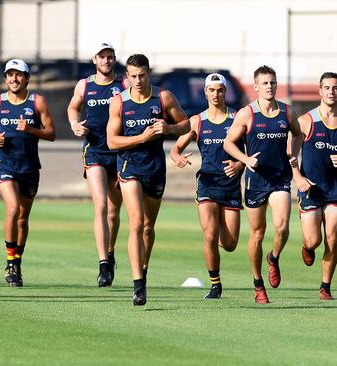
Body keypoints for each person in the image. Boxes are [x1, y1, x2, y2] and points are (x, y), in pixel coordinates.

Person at [107, 54, 190, 306]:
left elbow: (186, 124)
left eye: (142, 75)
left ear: (149, 74)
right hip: (129, 166)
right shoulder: (119, 102)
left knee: (147, 227)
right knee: (136, 221)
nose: (138, 80)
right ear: (127, 77)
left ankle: (143, 269)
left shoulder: (163, 98)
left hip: (154, 168)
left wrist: (169, 129)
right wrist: (142, 138)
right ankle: (138, 285)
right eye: (133, 76)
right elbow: (112, 141)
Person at [223, 65, 301, 304]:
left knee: (282, 228)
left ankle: (274, 258)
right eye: (265, 83)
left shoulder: (287, 113)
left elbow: (298, 134)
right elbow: (228, 143)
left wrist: (292, 153)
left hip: (279, 179)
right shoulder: (247, 114)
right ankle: (258, 284)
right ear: (256, 86)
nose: (270, 86)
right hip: (256, 182)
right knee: (257, 234)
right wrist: (245, 160)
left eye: (273, 82)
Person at [0, 58, 56, 287]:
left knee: (23, 218)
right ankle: (9, 262)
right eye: (10, 75)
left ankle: (17, 261)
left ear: (27, 78)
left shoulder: (37, 102)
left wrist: (31, 129)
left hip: (30, 166)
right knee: (12, 208)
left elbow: (52, 133)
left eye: (18, 75)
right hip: (5, 164)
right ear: (5, 78)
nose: (14, 79)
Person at [170, 73, 244, 299]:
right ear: (205, 93)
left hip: (230, 186)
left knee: (229, 244)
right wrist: (178, 158)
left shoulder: (238, 118)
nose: (215, 94)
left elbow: (250, 153)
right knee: (209, 235)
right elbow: (175, 148)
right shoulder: (197, 121)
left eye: (219, 90)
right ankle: (215, 284)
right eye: (211, 90)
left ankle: (220, 240)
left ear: (225, 92)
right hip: (207, 185)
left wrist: (239, 164)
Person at [66, 43, 123, 287]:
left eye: (110, 57)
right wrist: (74, 124)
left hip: (120, 152)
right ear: (94, 60)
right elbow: (72, 106)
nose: (106, 61)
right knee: (100, 205)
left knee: (113, 210)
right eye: (102, 57)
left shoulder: (123, 85)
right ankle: (102, 264)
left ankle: (110, 254)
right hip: (95, 152)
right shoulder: (84, 84)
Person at [290, 72, 337, 300]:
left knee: (334, 237)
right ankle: (307, 246)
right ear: (320, 91)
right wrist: (297, 176)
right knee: (314, 240)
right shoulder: (306, 121)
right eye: (327, 88)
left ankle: (325, 287)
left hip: (335, 189)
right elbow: (290, 155)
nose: (331, 92)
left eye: (335, 88)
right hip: (311, 189)